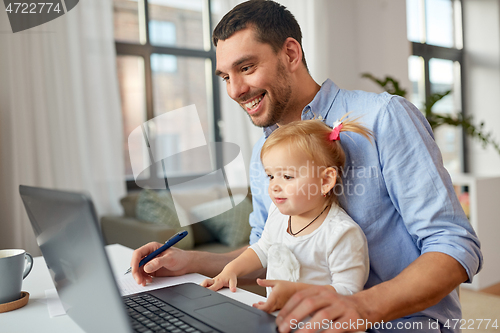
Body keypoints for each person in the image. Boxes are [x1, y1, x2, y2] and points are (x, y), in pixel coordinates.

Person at [131, 1, 482, 332]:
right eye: (225, 76)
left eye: (246, 67)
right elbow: (268, 249)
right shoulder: (264, 154)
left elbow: (454, 245)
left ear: (291, 53)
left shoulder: (383, 118)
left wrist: (361, 307)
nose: (235, 90)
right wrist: (189, 261)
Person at [200, 119, 371, 312]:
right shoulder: (277, 215)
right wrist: (231, 270)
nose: (274, 186)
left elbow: (349, 291)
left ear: (325, 181)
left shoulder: (341, 233)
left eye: (287, 176)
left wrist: (297, 292)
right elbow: (262, 249)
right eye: (271, 176)